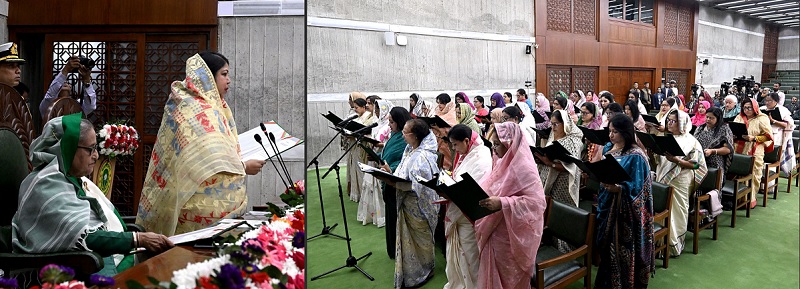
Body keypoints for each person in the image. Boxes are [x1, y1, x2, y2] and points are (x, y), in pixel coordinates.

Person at [14, 113, 173, 275]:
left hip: (89, 259)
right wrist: (138, 239)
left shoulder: (71, 178)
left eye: (95, 148)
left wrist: (137, 239)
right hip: (60, 270)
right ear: (67, 148)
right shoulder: (46, 184)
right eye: (90, 149)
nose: (96, 156)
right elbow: (83, 237)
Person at [136, 52, 266, 236]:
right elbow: (207, 158)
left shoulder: (214, 105)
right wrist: (244, 166)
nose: (228, 80)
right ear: (207, 78)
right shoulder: (193, 107)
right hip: (193, 202)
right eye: (224, 74)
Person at [475, 122, 546, 289]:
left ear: (510, 143)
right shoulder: (501, 161)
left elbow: (536, 203)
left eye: (497, 144)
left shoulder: (524, 168)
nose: (494, 149)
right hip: (495, 228)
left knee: (511, 279)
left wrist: (503, 203)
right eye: (493, 144)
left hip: (513, 236)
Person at [594, 114, 655, 289]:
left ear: (625, 132)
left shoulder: (636, 155)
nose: (611, 135)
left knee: (621, 250)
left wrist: (619, 188)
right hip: (606, 202)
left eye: (615, 132)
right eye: (610, 131)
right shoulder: (608, 148)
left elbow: (640, 190)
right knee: (606, 250)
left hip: (625, 212)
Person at [381, 119, 440, 288]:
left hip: (419, 205)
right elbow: (403, 173)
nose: (402, 135)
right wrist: (389, 173)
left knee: (422, 241)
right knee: (408, 240)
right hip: (406, 202)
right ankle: (411, 271)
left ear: (414, 136)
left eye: (405, 132)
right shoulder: (409, 149)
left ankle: (426, 270)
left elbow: (418, 186)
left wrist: (393, 182)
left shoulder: (422, 157)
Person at [443, 124, 492, 289]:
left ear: (466, 140)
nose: (454, 149)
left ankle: (473, 285)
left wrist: (452, 190)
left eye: (456, 145)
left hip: (470, 213)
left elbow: (476, 189)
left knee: (470, 254)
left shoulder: (481, 156)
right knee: (458, 252)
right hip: (459, 207)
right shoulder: (468, 152)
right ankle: (460, 284)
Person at [654, 109, 707, 256]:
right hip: (663, 177)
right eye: (669, 120)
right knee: (662, 209)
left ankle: (673, 245)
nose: (670, 124)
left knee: (677, 210)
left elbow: (697, 165)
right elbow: (660, 161)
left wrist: (677, 160)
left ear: (682, 123)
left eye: (673, 121)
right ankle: (660, 243)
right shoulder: (667, 138)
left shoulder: (691, 141)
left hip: (681, 180)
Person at [379, 107, 412, 259]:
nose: (389, 124)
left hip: (397, 182)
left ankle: (399, 250)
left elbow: (403, 162)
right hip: (389, 179)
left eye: (392, 122)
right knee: (391, 218)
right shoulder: (395, 135)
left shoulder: (406, 140)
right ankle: (393, 249)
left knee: (396, 218)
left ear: (400, 122)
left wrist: (390, 169)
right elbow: (389, 153)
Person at [535, 110, 584, 208]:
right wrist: (540, 159)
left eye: (555, 124)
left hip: (562, 183)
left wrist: (550, 163)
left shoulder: (573, 141)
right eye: (551, 124)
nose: (552, 128)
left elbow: (572, 167)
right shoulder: (553, 137)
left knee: (561, 210)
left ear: (564, 123)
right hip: (547, 179)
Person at [358, 99, 394, 227]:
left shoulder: (390, 126)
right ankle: (371, 214)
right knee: (369, 184)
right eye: (376, 109)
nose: (377, 112)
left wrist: (379, 144)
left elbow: (390, 143)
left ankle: (381, 216)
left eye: (379, 109)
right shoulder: (376, 123)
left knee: (378, 186)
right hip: (373, 155)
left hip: (382, 156)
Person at [733, 98, 773, 209]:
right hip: (739, 147)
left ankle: (750, 200)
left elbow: (768, 136)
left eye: (749, 108)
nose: (746, 110)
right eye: (744, 108)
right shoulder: (739, 117)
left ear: (755, 107)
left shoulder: (762, 118)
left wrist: (754, 138)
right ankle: (737, 199)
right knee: (737, 173)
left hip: (755, 149)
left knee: (754, 173)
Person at [344, 96, 377, 202]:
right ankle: (357, 193)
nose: (355, 109)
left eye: (357, 107)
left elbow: (367, 131)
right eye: (354, 107)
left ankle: (365, 195)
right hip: (355, 145)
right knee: (355, 169)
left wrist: (355, 134)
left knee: (361, 169)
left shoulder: (370, 118)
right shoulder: (356, 116)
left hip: (363, 146)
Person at [760, 92, 796, 175]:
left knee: (771, 158)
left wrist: (773, 121)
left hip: (776, 136)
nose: (767, 103)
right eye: (766, 100)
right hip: (763, 134)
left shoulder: (782, 110)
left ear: (776, 101)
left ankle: (770, 181)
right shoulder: (762, 108)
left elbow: (787, 125)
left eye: (770, 101)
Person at [694, 107, 734, 179]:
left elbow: (728, 149)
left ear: (718, 119)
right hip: (699, 161)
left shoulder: (724, 129)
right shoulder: (700, 128)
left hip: (715, 163)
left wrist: (713, 151)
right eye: (707, 117)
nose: (708, 119)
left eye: (711, 118)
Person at [435, 93, 458, 170]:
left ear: (447, 103)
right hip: (439, 142)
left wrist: (441, 129)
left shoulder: (452, 113)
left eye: (441, 103)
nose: (439, 105)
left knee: (448, 163)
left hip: (448, 143)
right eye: (438, 103)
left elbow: (453, 128)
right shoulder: (437, 112)